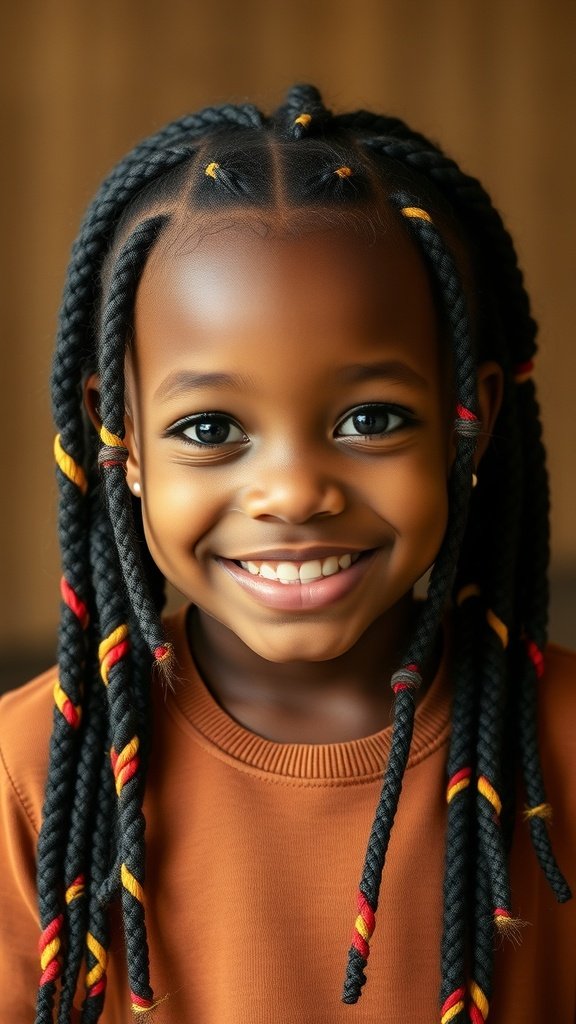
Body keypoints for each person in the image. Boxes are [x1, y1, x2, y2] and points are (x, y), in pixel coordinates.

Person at [0, 83, 574, 1024]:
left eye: (371, 419)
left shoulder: (562, 751)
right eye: (210, 428)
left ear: (470, 420)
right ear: (121, 438)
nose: (295, 492)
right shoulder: (28, 781)